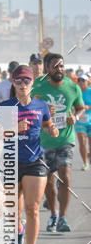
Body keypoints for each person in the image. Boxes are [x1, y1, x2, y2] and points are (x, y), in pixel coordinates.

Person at [0, 65, 58, 244]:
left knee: (32, 208)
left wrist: (52, 129)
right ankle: (18, 228)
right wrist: (14, 128)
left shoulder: (41, 105)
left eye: (26, 80)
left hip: (35, 161)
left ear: (32, 83)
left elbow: (47, 125)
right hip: (11, 161)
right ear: (13, 82)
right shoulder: (6, 106)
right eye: (19, 80)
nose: (23, 84)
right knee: (12, 211)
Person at [32, 53, 85, 232]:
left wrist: (75, 117)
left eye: (61, 66)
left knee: (65, 175)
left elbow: (80, 108)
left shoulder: (72, 87)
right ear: (47, 68)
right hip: (45, 140)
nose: (59, 69)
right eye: (55, 66)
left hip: (65, 139)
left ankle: (62, 217)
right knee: (48, 180)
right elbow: (29, 108)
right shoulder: (38, 85)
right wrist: (44, 110)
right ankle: (53, 215)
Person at [75, 74, 91, 170]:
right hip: (79, 121)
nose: (81, 82)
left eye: (83, 80)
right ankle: (85, 163)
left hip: (90, 120)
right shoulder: (76, 92)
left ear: (87, 82)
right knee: (82, 141)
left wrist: (88, 107)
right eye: (79, 80)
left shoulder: (90, 91)